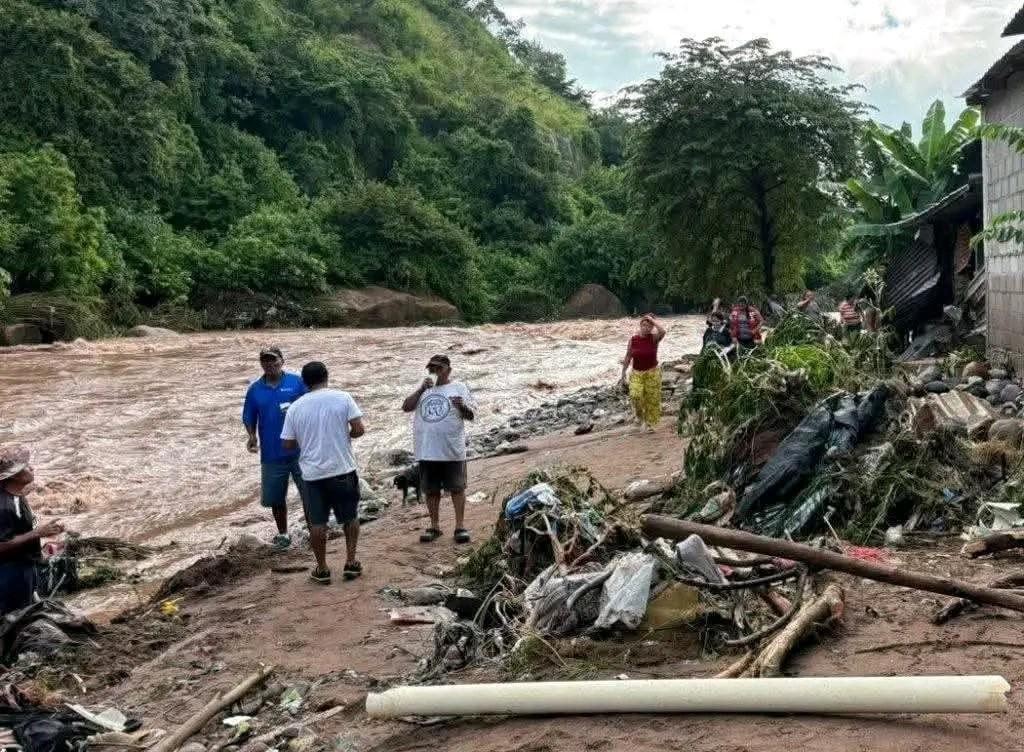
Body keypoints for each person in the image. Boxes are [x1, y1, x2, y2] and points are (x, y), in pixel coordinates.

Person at [281, 362, 365, 585]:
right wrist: (343, 437)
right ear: (326, 376)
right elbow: (359, 429)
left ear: (304, 382)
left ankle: (322, 567)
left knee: (317, 523)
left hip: (312, 475)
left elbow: (287, 444)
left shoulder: (295, 407)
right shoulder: (343, 397)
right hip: (342, 469)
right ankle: (350, 562)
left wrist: (305, 439)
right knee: (350, 517)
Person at [402, 354, 476, 545]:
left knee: (457, 488)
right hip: (427, 449)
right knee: (431, 490)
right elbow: (406, 407)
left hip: (451, 448)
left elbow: (470, 416)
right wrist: (420, 389)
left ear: (448, 369)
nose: (434, 371)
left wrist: (461, 407)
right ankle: (435, 526)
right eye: (431, 368)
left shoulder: (459, 387)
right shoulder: (424, 391)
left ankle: (460, 526)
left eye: (438, 368)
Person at [243, 347, 307, 550]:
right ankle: (283, 533)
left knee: (309, 492)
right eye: (265, 361)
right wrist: (252, 436)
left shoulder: (297, 382)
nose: (269, 364)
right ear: (261, 363)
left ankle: (314, 526)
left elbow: (311, 406)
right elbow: (249, 416)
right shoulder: (255, 389)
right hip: (271, 453)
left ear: (282, 361)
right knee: (276, 498)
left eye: (273, 360)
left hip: (301, 451)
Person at [0, 446, 63, 615]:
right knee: (12, 619)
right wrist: (37, 533)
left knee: (26, 613)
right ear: (15, 475)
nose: (32, 468)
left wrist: (46, 534)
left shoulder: (17, 495)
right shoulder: (4, 506)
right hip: (10, 574)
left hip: (25, 566)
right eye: (26, 467)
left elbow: (20, 531)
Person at [620, 314, 666, 432]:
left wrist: (652, 320)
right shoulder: (633, 339)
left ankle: (650, 424)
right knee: (635, 395)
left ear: (652, 328)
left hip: (652, 373)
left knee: (652, 399)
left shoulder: (654, 338)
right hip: (637, 373)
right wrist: (623, 373)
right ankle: (639, 416)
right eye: (644, 325)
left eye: (649, 326)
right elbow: (628, 356)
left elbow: (663, 331)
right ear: (640, 326)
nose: (646, 328)